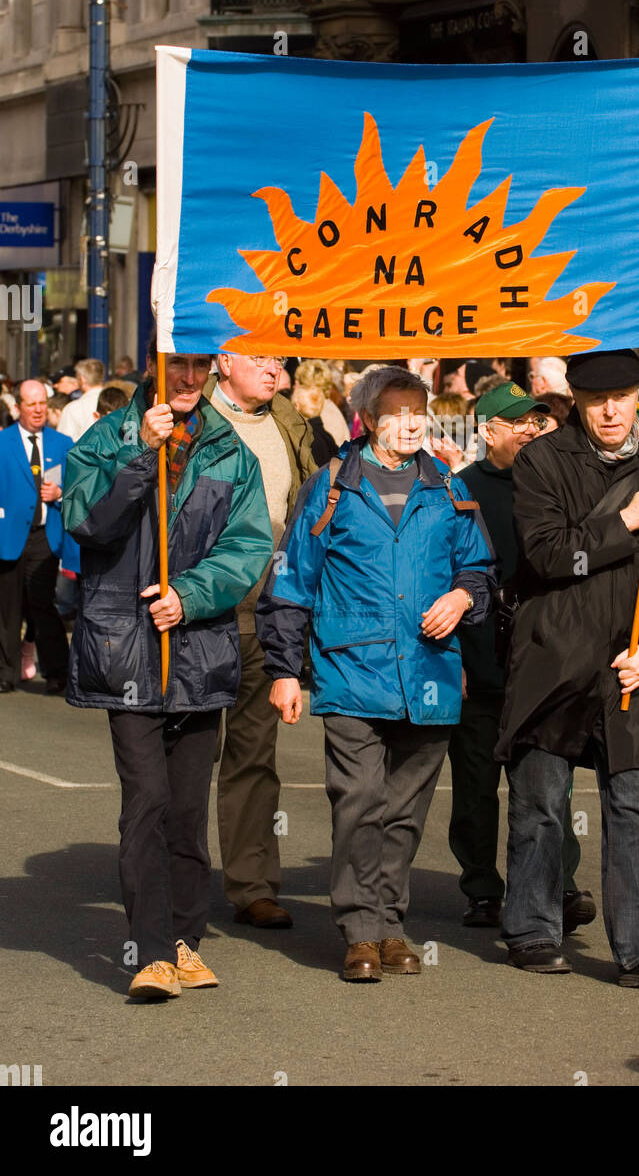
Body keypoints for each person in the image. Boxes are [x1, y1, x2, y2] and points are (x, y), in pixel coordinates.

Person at [256, 365, 495, 983]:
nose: (413, 424)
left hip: (432, 674)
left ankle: (391, 925)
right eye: (398, 414)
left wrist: (464, 598)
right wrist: (284, 670)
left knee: (405, 811)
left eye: (421, 413)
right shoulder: (330, 486)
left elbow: (480, 569)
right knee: (359, 801)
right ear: (368, 420)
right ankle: (360, 931)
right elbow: (290, 583)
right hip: (351, 670)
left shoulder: (448, 486)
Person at [496, 349, 639, 985]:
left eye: (621, 397)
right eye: (597, 401)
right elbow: (544, 557)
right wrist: (625, 522)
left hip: (636, 665)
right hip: (555, 659)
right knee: (540, 801)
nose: (611, 411)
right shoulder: (542, 460)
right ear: (578, 403)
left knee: (637, 804)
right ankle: (532, 929)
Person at [62, 337, 273, 1000]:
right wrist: (135, 457)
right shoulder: (107, 436)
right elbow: (84, 522)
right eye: (173, 365)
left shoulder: (230, 453)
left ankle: (186, 943)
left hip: (200, 651)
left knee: (186, 810)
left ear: (209, 372)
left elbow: (248, 547)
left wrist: (191, 594)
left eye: (196, 367)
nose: (185, 378)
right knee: (147, 801)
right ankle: (150, 952)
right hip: (126, 651)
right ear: (153, 369)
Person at [448, 381, 596, 934]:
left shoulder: (560, 482)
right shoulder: (459, 489)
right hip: (481, 654)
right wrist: (454, 660)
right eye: (519, 424)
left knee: (550, 775)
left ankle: (559, 881)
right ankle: (483, 888)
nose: (533, 431)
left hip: (545, 657)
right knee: (476, 784)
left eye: (538, 422)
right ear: (488, 431)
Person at [203, 352, 315, 930]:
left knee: (253, 756)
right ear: (223, 361)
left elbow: (312, 502)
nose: (274, 369)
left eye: (279, 360)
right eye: (259, 357)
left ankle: (251, 885)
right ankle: (176, 879)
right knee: (187, 757)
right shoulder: (188, 416)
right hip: (199, 614)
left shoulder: (288, 419)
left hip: (266, 616)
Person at [0, 380, 74, 694]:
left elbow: (77, 486)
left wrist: (59, 492)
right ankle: (6, 672)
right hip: (9, 534)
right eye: (31, 404)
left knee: (44, 603)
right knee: (8, 607)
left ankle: (57, 671)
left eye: (42, 402)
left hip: (46, 535)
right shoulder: (3, 443)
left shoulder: (62, 443)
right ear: (18, 408)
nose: (39, 409)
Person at [57, 359, 106, 442]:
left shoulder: (73, 408)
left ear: (82, 379)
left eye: (77, 376)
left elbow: (63, 444)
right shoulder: (119, 402)